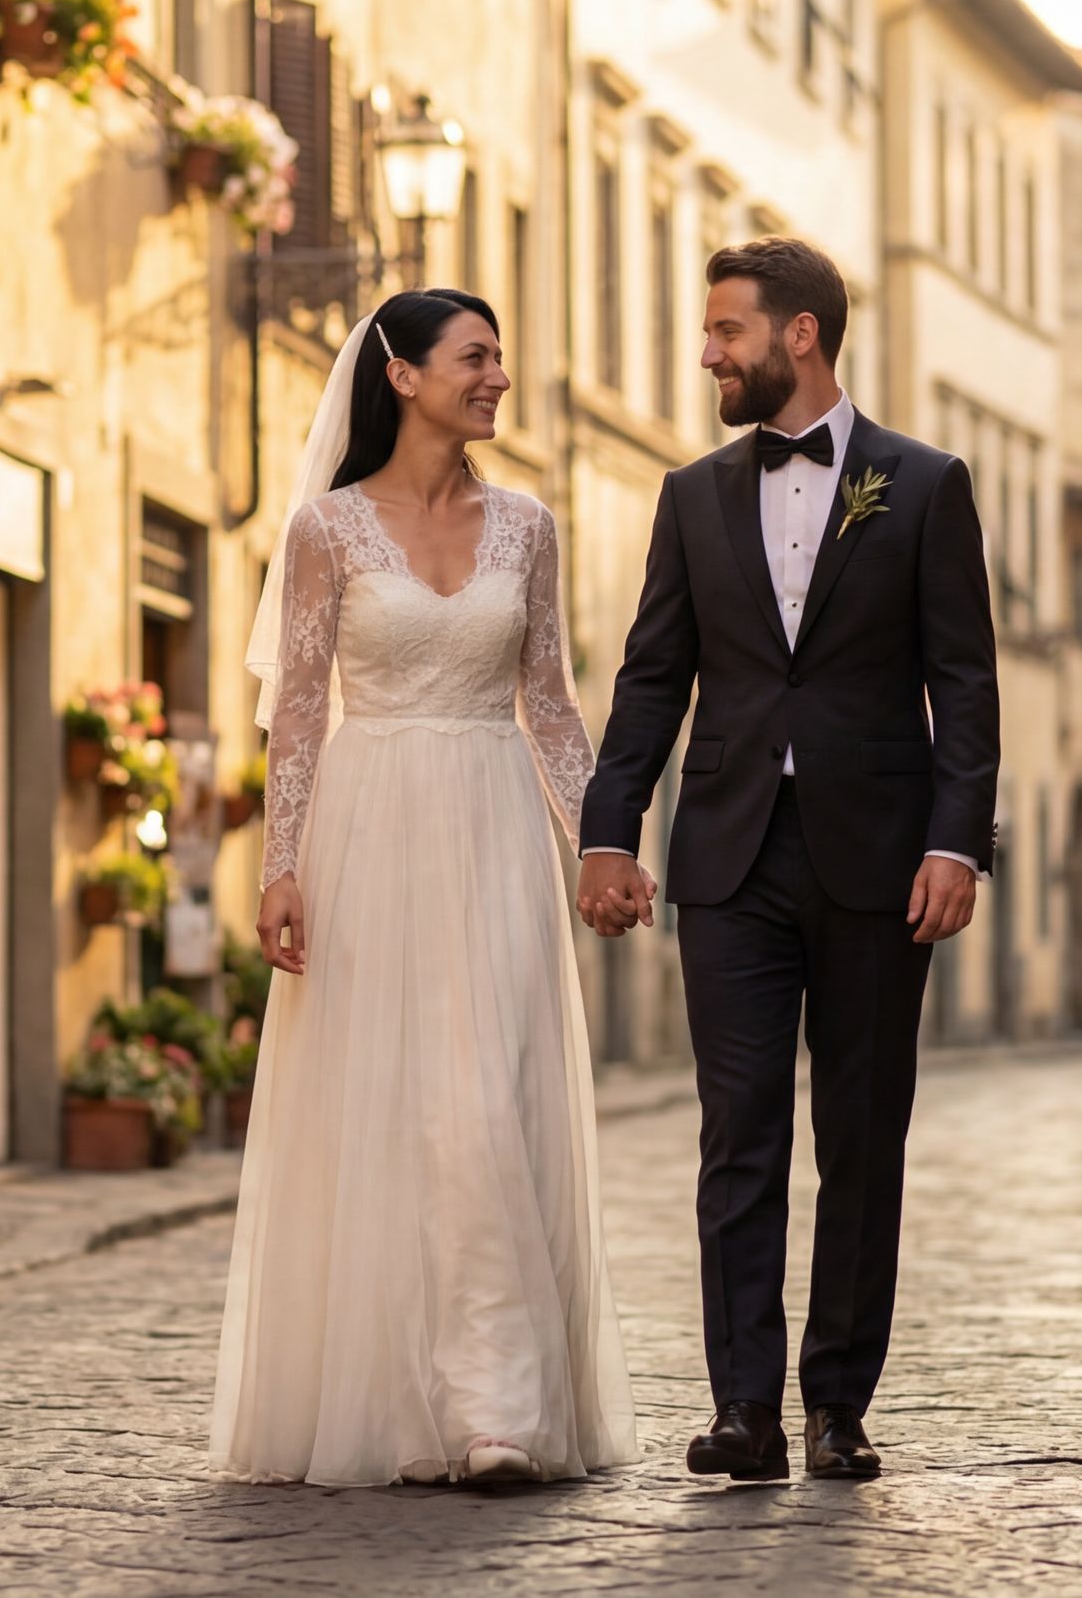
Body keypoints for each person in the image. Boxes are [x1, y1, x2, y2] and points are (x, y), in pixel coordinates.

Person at [577, 236, 998, 1486]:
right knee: (738, 1131)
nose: (707, 351)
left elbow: (963, 684)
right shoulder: (692, 496)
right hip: (731, 860)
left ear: (798, 335)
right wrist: (612, 828)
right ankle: (745, 1410)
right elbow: (653, 679)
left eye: (726, 332)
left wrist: (955, 841)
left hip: (881, 863)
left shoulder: (925, 485)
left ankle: (837, 1408)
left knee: (863, 1137)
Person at [209, 288, 638, 1488]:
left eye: (502, 354)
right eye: (476, 356)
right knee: (393, 1107)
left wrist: (599, 840)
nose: (499, 375)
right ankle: (404, 1397)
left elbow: (549, 701)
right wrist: (279, 864)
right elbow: (297, 710)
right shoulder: (325, 532)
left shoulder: (530, 527)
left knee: (485, 1095)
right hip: (369, 823)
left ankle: (497, 1407)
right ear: (401, 375)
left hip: (493, 824)